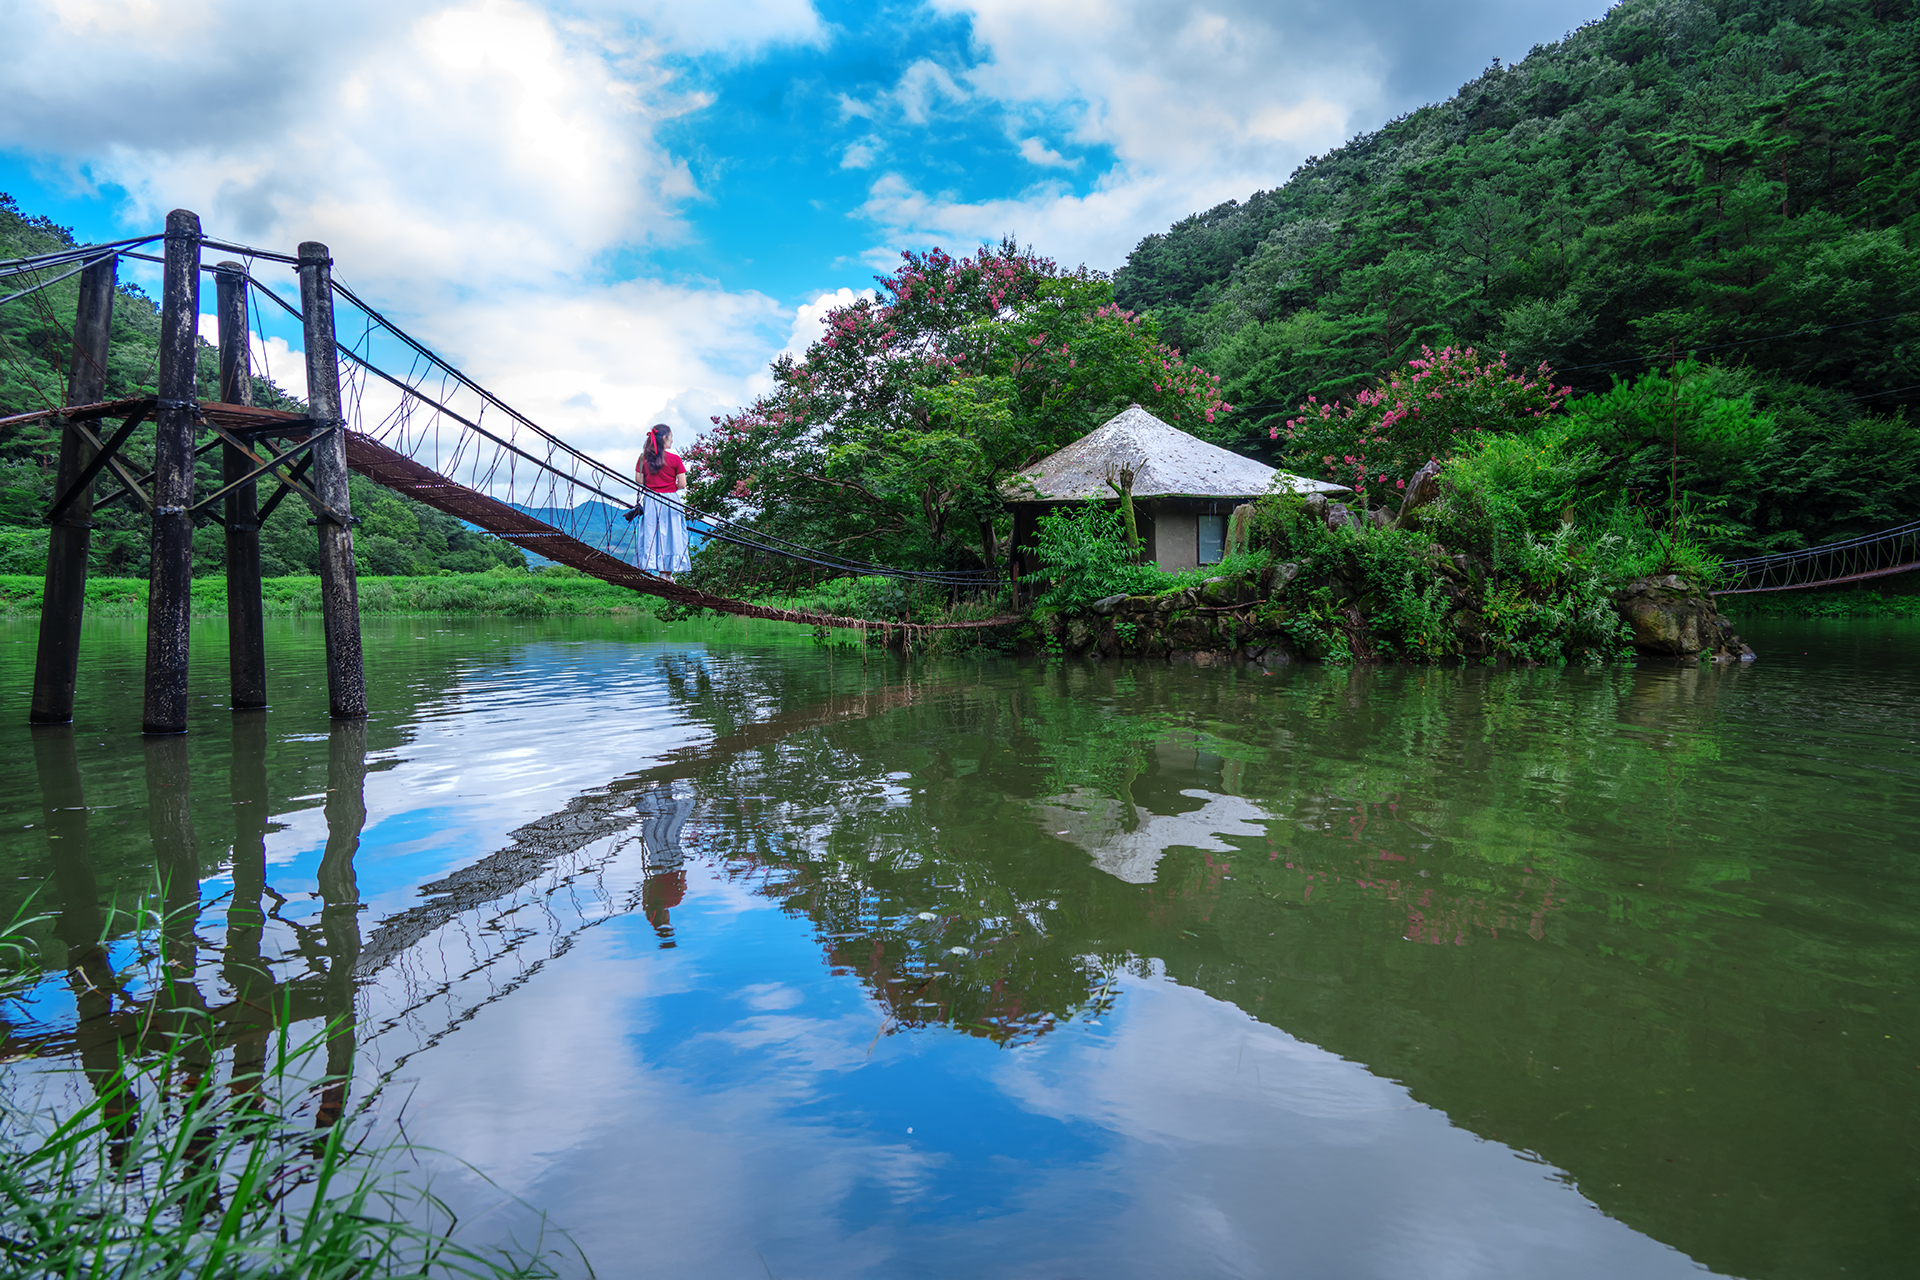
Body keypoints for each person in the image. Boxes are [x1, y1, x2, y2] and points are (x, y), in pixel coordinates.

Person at [633, 423, 690, 576]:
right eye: (671, 437)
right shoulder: (675, 459)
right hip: (671, 500)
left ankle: (651, 565)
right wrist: (669, 487)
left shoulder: (643, 458)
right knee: (671, 534)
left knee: (652, 532)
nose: (672, 440)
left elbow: (639, 480)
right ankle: (666, 574)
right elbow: (682, 484)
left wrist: (654, 486)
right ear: (664, 438)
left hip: (651, 500)